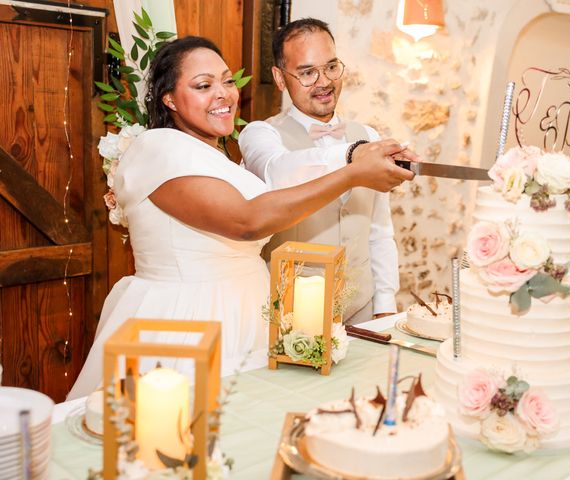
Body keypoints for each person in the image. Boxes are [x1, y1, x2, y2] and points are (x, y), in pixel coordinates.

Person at [68, 36, 416, 399]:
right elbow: (245, 221)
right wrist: (351, 172)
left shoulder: (216, 156)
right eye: (204, 86)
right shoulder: (156, 148)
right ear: (168, 98)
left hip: (251, 307)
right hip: (190, 317)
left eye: (228, 81)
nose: (224, 94)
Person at [239, 18, 401, 325]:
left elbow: (379, 231)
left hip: (362, 311)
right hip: (292, 317)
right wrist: (351, 156)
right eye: (307, 72)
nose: (324, 81)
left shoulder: (367, 133)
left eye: (330, 67)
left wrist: (385, 306)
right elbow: (278, 174)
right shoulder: (260, 135)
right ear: (279, 77)